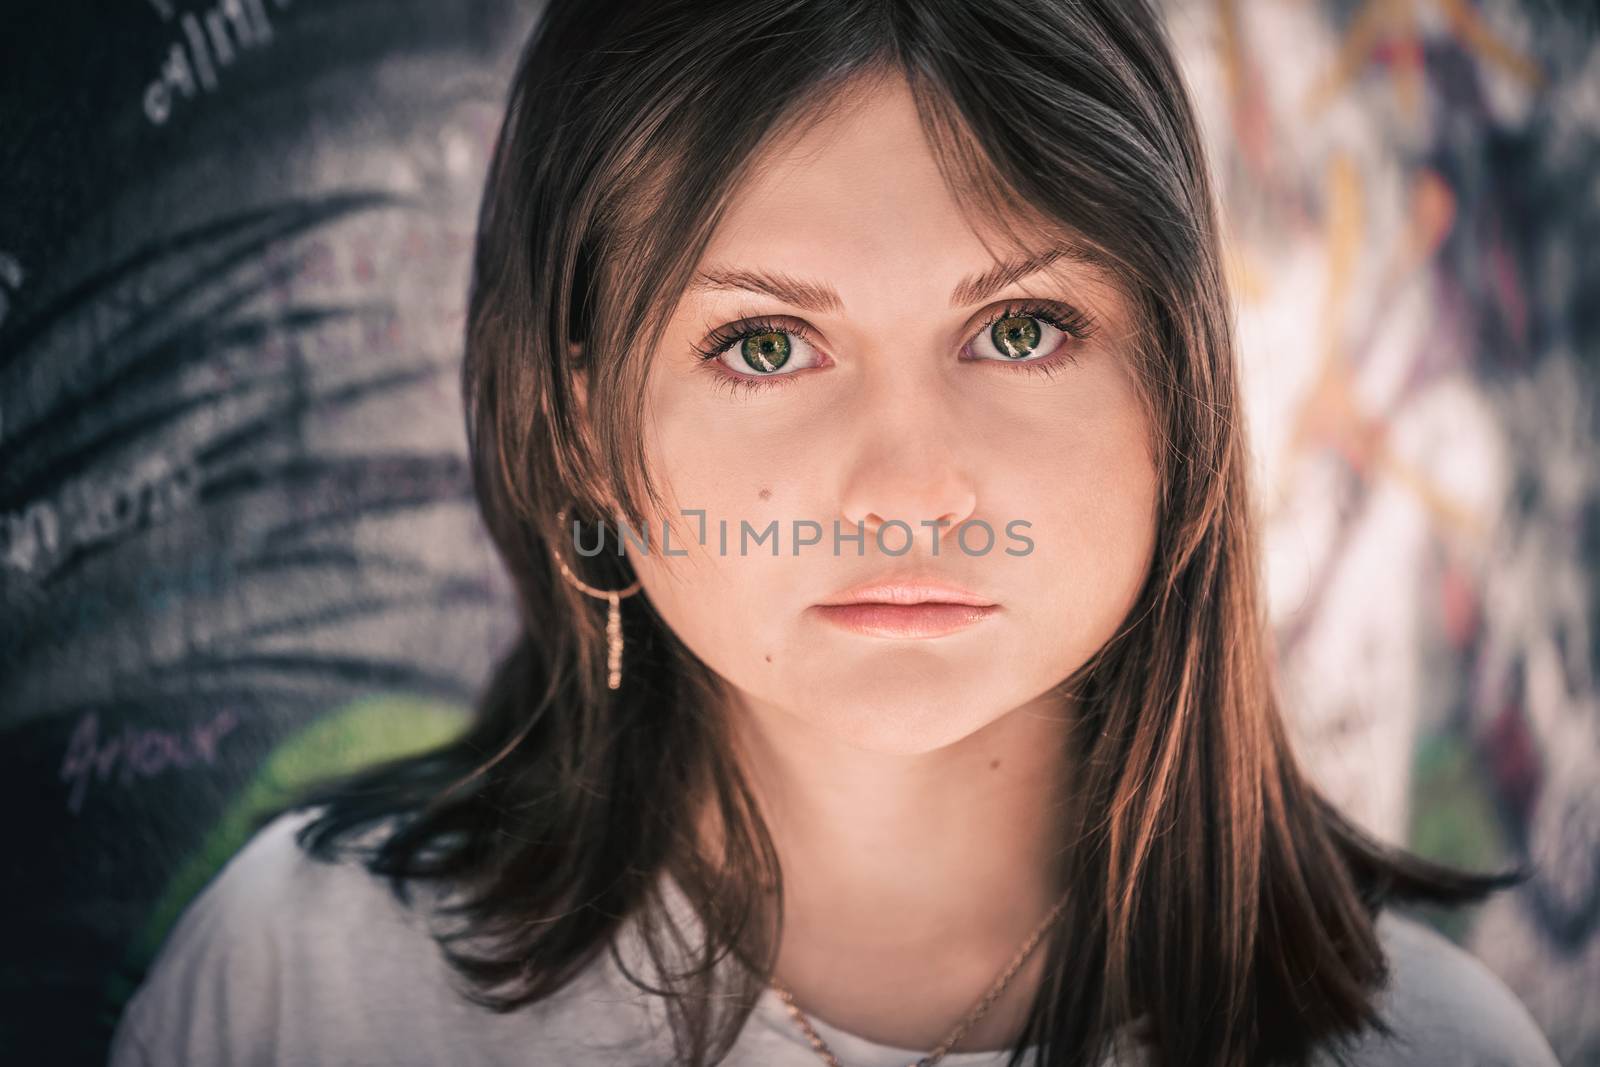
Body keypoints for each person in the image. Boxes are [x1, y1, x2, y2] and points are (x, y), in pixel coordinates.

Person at [106, 0, 1564, 1064]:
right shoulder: (305, 992)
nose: (907, 490)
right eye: (761, 347)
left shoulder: (1426, 1050)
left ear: (1179, 392)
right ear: (584, 428)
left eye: (1020, 327)